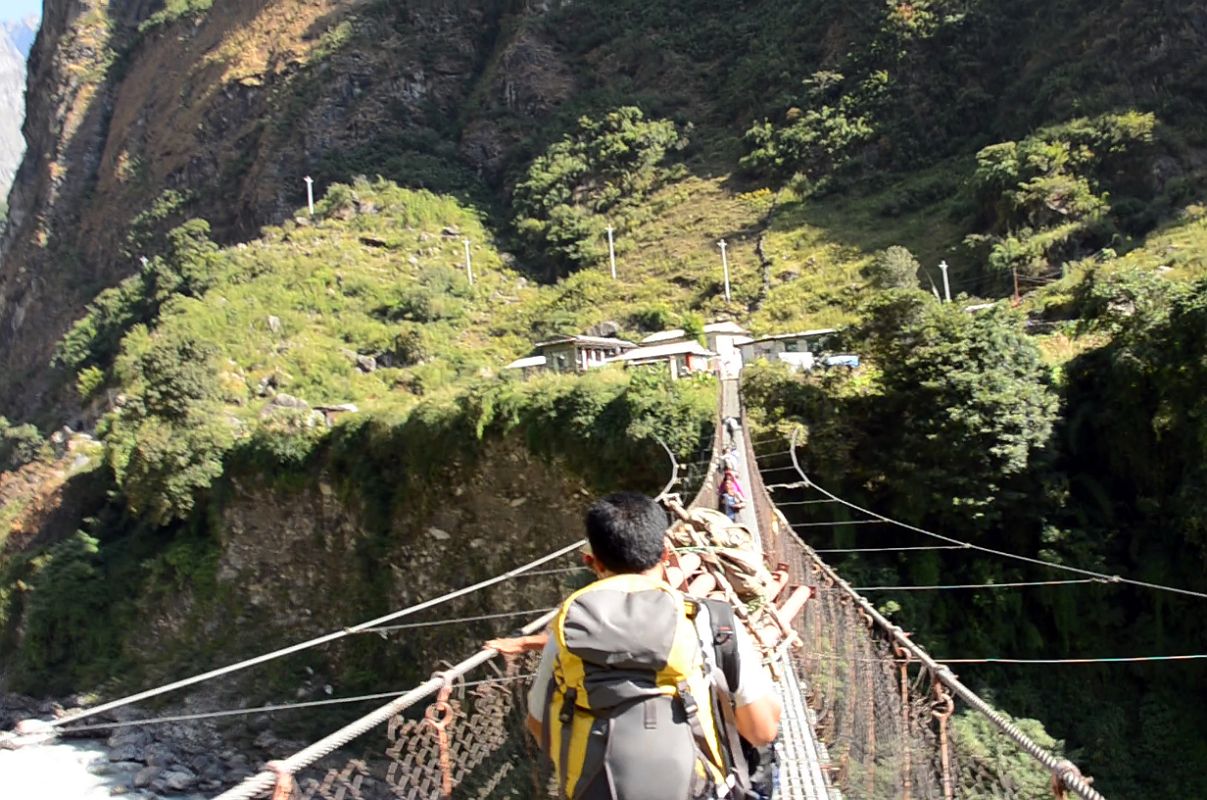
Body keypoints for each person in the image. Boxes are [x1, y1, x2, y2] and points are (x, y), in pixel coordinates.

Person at [522, 493, 781, 800]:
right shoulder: (710, 622)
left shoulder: (567, 629)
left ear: (591, 561)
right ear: (666, 555)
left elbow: (540, 725)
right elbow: (762, 732)